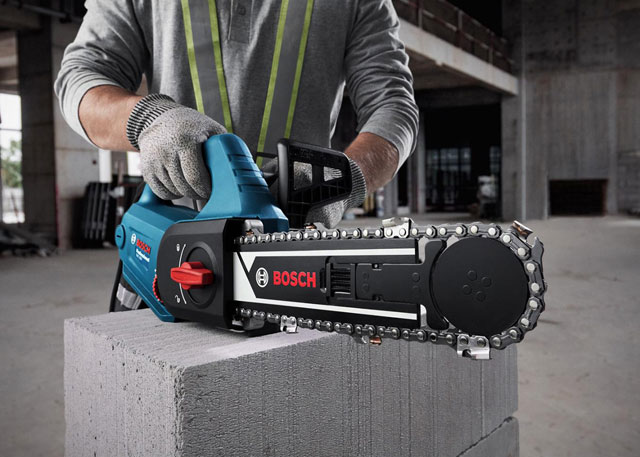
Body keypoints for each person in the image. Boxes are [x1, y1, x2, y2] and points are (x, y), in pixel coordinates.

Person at [55, 0, 418, 310]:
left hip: (292, 255)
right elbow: (81, 78)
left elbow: (393, 105)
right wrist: (149, 120)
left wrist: (344, 178)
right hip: (168, 241)